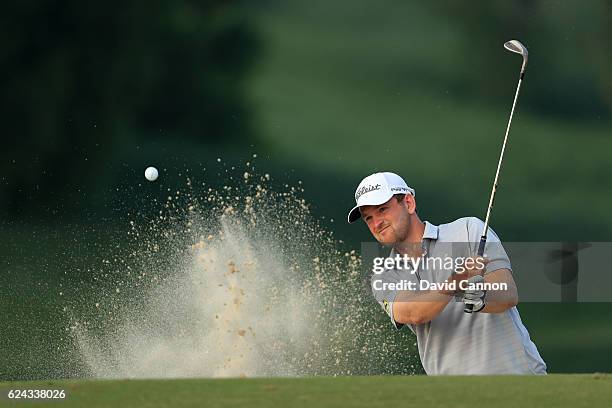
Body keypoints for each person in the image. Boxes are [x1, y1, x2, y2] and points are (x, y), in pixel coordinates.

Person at [348, 172, 546, 375]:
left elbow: (508, 293)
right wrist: (457, 281)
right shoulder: (384, 275)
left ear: (408, 203)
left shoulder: (468, 230)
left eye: (382, 210)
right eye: (368, 218)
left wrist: (483, 299)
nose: (376, 223)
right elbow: (413, 313)